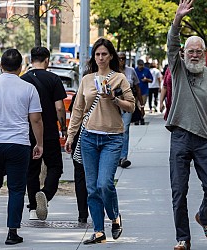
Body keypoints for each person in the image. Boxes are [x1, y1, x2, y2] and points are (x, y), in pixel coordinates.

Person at [166, 1, 207, 250]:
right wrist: (177, 20)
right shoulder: (178, 69)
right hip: (180, 137)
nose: (194, 55)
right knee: (179, 192)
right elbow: (172, 42)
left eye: (198, 52)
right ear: (184, 53)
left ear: (204, 54)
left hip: (203, 138)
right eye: (190, 51)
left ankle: (204, 216)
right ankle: (183, 238)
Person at [65, 38, 135, 244]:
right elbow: (78, 110)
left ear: (111, 56)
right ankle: (98, 230)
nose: (101, 57)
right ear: (93, 57)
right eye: (97, 54)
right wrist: (71, 136)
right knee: (92, 187)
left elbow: (131, 107)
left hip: (112, 139)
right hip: (88, 137)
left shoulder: (119, 79)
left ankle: (114, 216)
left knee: (105, 183)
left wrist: (114, 99)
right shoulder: (87, 80)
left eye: (104, 54)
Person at [0, 48, 44, 245]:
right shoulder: (28, 88)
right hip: (18, 144)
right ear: (21, 68)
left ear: (0, 66)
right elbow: (36, 120)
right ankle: (12, 232)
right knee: (16, 188)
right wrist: (39, 143)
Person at [21, 47, 67, 221]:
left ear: (31, 60)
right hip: (49, 132)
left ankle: (33, 208)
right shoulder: (54, 79)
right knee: (55, 167)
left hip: (28, 132)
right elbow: (60, 107)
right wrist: (63, 127)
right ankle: (45, 195)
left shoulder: (23, 80)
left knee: (31, 170)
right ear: (47, 60)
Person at [117, 52, 144, 168]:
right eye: (119, 59)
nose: (122, 61)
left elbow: (137, 89)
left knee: (125, 129)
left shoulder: (131, 71)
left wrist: (141, 105)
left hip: (127, 104)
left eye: (123, 58)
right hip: (114, 105)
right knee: (115, 130)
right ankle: (115, 156)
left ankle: (123, 157)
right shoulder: (111, 71)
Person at [68, 93, 89, 224]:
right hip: (97, 136)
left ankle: (82, 214)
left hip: (79, 137)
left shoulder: (81, 92)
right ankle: (97, 212)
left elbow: (74, 115)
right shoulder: (106, 89)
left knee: (80, 177)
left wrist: (70, 136)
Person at [134, 59, 153, 125]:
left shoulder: (147, 70)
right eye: (140, 65)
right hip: (136, 91)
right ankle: (138, 118)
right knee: (136, 105)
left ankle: (140, 117)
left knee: (141, 105)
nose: (141, 66)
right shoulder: (134, 71)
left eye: (142, 65)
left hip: (144, 91)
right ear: (138, 65)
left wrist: (146, 79)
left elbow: (151, 80)